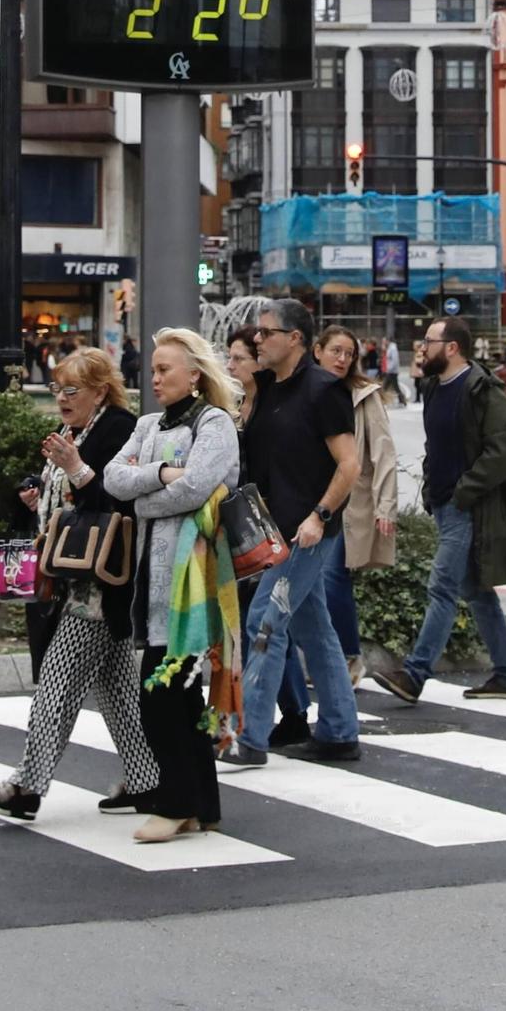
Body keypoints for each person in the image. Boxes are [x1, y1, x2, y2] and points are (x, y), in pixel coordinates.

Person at [0, 350, 152, 822]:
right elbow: (64, 499)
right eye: (57, 390)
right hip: (67, 578)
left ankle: (27, 787)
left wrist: (73, 467)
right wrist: (33, 491)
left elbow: (115, 501)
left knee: (57, 685)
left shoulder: (119, 428)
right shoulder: (77, 432)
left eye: (73, 390)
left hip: (97, 583)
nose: (63, 399)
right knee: (116, 691)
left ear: (101, 390)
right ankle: (147, 780)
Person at [102, 328, 242, 842]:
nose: (154, 377)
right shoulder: (146, 424)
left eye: (164, 369)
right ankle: (199, 804)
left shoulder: (215, 424)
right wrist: (161, 473)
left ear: (194, 375)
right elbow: (113, 477)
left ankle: (178, 802)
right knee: (177, 699)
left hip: (193, 585)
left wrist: (143, 499)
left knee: (162, 698)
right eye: (154, 369)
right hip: (148, 585)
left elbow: (196, 489)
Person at [221, 303, 363, 767]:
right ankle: (340, 731)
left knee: (265, 621)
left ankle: (252, 738)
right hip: (273, 531)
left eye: (267, 333)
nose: (257, 340)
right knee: (313, 626)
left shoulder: (323, 390)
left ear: (296, 338)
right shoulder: (264, 388)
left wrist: (319, 515)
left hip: (306, 531)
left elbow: (350, 465)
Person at [373, 315, 506, 706]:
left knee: (442, 586)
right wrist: (432, 486)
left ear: (452, 348)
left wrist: (464, 492)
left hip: (468, 508)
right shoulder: (433, 387)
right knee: (476, 592)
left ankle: (414, 675)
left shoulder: (483, 391)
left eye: (429, 340)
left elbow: (500, 454)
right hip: (445, 504)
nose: (422, 347)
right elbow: (437, 446)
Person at [314, 326, 399, 684]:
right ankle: (327, 657)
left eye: (349, 353)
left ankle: (350, 657)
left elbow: (384, 452)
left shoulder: (364, 396)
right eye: (336, 351)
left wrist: (386, 506)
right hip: (309, 501)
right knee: (312, 584)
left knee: (333, 577)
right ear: (317, 351)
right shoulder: (306, 390)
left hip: (350, 505)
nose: (342, 359)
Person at [382, 333, 406, 408]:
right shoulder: (390, 347)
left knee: (386, 386)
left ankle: (382, 400)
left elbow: (394, 360)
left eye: (384, 341)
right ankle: (402, 400)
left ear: (387, 341)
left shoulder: (393, 348)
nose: (383, 342)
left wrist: (390, 368)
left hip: (392, 371)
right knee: (394, 387)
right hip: (391, 371)